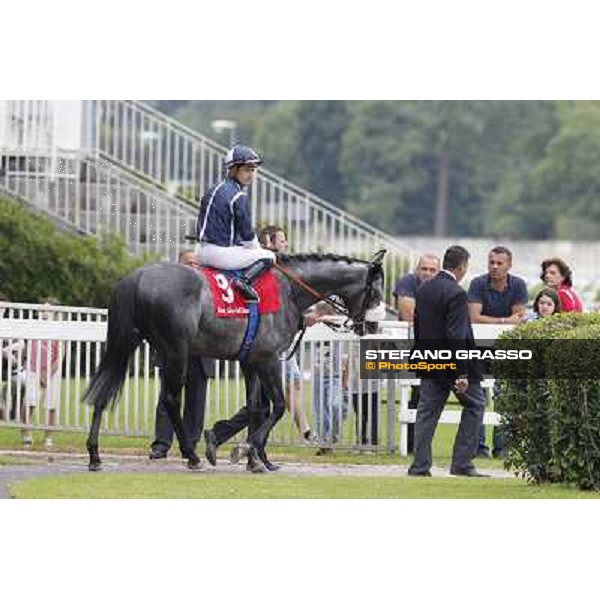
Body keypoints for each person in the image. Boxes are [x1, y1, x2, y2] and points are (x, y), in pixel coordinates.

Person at [408, 245, 489, 478]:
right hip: (454, 363)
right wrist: (461, 373)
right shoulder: (456, 293)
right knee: (476, 405)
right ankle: (462, 463)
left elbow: (419, 327)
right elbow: (456, 335)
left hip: (430, 360)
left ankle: (420, 466)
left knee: (426, 414)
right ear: (462, 266)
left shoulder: (424, 289)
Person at [149, 250, 215, 459]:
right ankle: (161, 444)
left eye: (197, 264)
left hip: (201, 354)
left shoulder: (210, 291)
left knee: (196, 403)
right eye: (189, 263)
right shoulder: (166, 290)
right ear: (178, 266)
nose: (194, 268)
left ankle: (190, 444)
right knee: (167, 399)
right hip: (173, 353)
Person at [468, 246, 528, 459]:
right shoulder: (477, 283)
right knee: (478, 398)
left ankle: (502, 448)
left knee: (504, 398)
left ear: (509, 265)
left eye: (499, 263)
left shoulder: (518, 284)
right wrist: (504, 320)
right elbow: (474, 317)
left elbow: (519, 317)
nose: (494, 267)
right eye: (491, 262)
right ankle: (479, 448)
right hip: (479, 349)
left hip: (504, 349)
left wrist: (498, 320)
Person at [195, 145, 275, 302]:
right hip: (219, 254)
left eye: (252, 170)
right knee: (269, 256)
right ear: (233, 169)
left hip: (200, 251)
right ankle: (243, 282)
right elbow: (247, 236)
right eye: (246, 169)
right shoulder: (239, 196)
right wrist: (257, 248)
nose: (250, 174)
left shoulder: (212, 190)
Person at [392, 253, 440, 453]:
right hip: (410, 347)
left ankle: (418, 445)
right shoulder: (408, 282)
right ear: (417, 269)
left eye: (432, 270)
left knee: (425, 396)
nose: (427, 273)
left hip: (434, 348)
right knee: (417, 396)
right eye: (424, 269)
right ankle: (412, 445)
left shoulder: (443, 286)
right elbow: (407, 314)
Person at [22, 298, 64, 447]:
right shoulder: (33, 328)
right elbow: (29, 352)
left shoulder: (58, 330)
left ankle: (48, 437)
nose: (45, 313)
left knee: (51, 405)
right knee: (30, 402)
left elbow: (59, 357)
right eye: (42, 311)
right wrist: (40, 374)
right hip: (34, 370)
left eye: (48, 311)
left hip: (52, 372)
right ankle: (26, 433)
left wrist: (47, 374)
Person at [309, 300, 347, 456]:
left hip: (335, 375)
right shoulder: (315, 328)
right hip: (318, 374)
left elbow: (343, 320)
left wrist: (327, 318)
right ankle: (324, 443)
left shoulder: (339, 325)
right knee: (320, 411)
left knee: (335, 405)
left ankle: (333, 436)